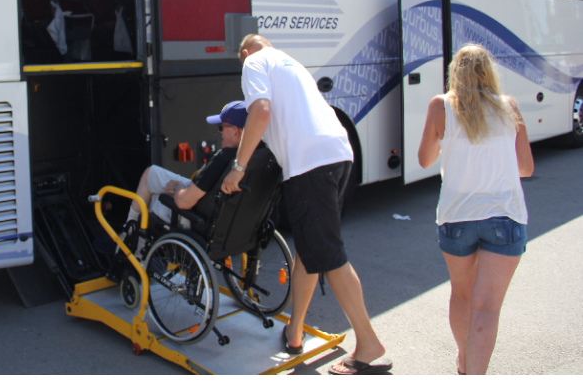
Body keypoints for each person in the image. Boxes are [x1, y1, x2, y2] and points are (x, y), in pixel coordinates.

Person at [223, 34, 390, 375]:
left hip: (309, 165)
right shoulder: (291, 63)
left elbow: (261, 110)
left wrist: (238, 167)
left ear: (243, 54)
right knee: (310, 248)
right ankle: (295, 330)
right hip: (339, 154)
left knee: (328, 254)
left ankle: (369, 343)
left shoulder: (254, 63)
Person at [418, 44, 533, 375]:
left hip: (456, 217)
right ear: (489, 72)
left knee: (462, 295)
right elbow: (525, 167)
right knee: (487, 307)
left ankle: (465, 360)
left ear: (455, 72)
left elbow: (425, 159)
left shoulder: (440, 106)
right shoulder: (508, 107)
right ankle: (475, 375)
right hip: (505, 214)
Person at [125, 101, 249, 244]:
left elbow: (184, 202)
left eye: (221, 127)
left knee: (154, 195)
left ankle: (128, 236)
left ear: (235, 131)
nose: (219, 132)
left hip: (198, 220)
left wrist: (177, 187)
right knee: (151, 174)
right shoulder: (260, 156)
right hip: (237, 225)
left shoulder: (222, 159)